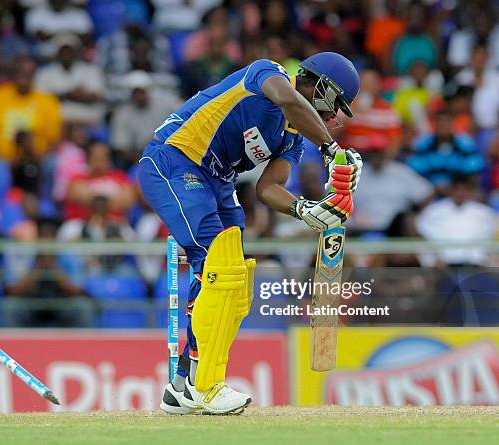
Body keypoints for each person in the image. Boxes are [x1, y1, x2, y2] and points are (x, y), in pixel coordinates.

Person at [138, 53, 362, 414]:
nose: (335, 116)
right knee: (219, 266)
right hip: (175, 160)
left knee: (234, 282)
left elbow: (268, 187)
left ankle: (182, 385)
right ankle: (206, 386)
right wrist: (333, 150)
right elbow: (290, 100)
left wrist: (304, 210)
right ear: (321, 86)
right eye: (336, 104)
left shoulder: (292, 139)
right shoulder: (268, 74)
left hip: (218, 183)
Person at [0, 57, 62, 161]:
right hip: (1, 159)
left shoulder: (48, 101)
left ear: (34, 76)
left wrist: (39, 156)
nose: (24, 77)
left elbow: (54, 139)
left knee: (52, 163)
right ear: (13, 74)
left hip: (37, 158)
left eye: (28, 74)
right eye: (20, 72)